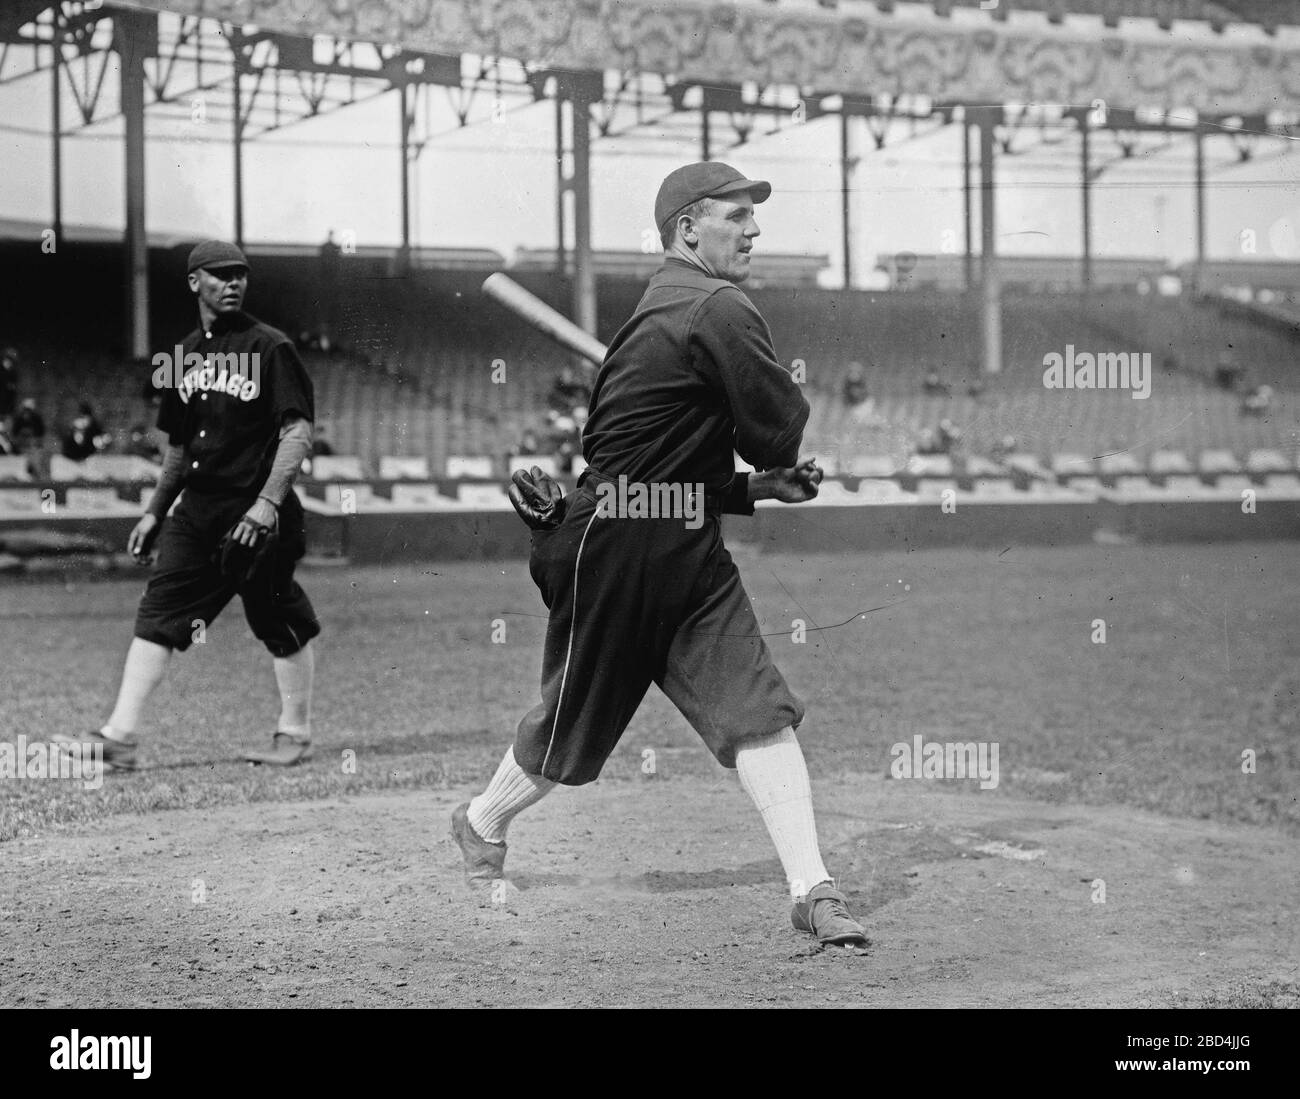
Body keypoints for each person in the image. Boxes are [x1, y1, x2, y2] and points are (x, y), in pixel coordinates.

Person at [450, 163, 868, 948]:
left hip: (681, 544)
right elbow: (774, 428)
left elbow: (674, 462)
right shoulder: (716, 304)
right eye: (735, 216)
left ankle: (812, 887)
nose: (753, 230)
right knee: (572, 731)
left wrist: (755, 489)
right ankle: (480, 821)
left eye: (753, 217)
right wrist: (769, 447)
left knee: (756, 709)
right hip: (614, 549)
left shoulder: (671, 302)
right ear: (687, 229)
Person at [54, 241, 320, 771]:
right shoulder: (182, 354)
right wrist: (155, 511)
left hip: (255, 511)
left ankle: (295, 731)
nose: (233, 283)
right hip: (197, 511)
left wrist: (268, 503)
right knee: (159, 612)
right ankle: (120, 737)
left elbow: (297, 431)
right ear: (194, 282)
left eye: (240, 274)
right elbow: (178, 448)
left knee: (274, 616)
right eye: (219, 275)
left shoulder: (271, 347)